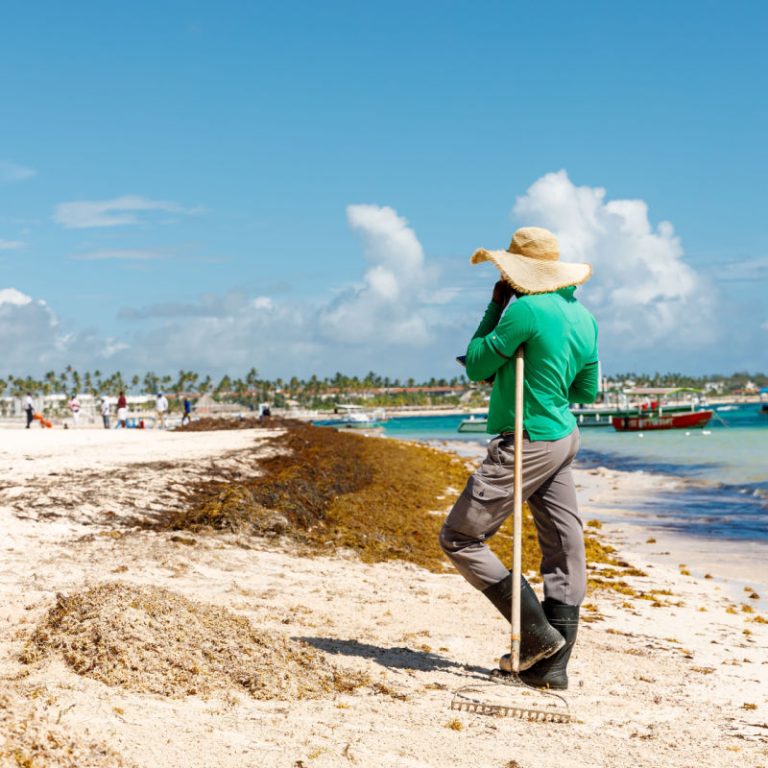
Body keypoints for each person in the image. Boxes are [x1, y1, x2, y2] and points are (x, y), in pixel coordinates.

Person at [439, 227, 599, 691]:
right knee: (564, 550)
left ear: (516, 274)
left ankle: (535, 638)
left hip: (526, 440)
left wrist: (496, 306)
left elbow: (474, 363)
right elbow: (584, 390)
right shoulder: (584, 317)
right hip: (563, 436)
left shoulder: (523, 309)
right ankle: (551, 670)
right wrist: (536, 379)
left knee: (460, 536)